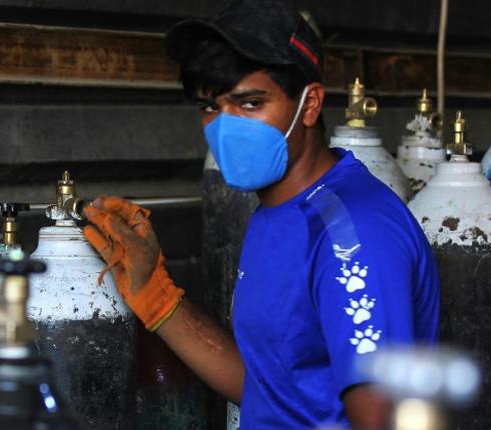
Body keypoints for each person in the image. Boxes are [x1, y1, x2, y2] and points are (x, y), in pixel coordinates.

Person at [82, 0, 440, 428]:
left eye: (250, 103)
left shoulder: (352, 234)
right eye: (210, 107)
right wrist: (156, 295)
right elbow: (273, 391)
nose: (225, 126)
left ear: (310, 106)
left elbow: (383, 420)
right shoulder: (279, 212)